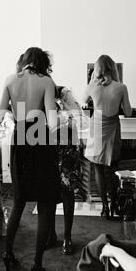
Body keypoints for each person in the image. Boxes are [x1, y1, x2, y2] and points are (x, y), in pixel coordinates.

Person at [0, 47, 61, 271]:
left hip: (21, 138)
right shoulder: (46, 82)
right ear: (42, 63)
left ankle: (7, 253)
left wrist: (15, 115)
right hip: (41, 139)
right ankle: (37, 264)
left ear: (23, 61)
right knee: (45, 205)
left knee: (19, 201)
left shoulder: (11, 80)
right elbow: (52, 122)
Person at [82, 55, 132, 219]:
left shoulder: (91, 86)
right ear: (113, 68)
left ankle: (104, 206)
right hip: (113, 128)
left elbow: (83, 104)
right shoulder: (121, 87)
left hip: (96, 127)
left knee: (98, 168)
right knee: (113, 170)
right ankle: (115, 205)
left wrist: (91, 81)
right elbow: (129, 112)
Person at [46, 85, 85, 255]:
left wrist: (60, 116)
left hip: (68, 148)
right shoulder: (38, 92)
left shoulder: (64, 92)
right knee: (49, 193)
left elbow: (79, 117)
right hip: (48, 147)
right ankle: (51, 233)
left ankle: (67, 237)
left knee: (67, 192)